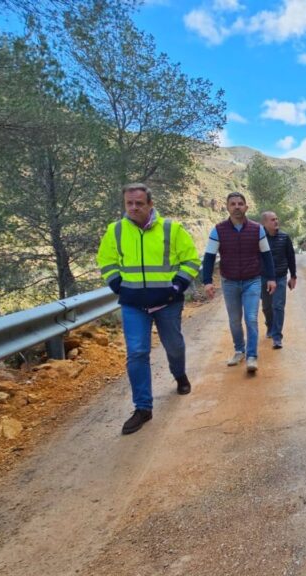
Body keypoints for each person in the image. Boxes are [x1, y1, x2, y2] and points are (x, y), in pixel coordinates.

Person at [97, 183, 201, 435]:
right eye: (129, 203)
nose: (133, 208)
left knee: (174, 346)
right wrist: (118, 285)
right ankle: (143, 408)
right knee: (137, 353)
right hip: (133, 304)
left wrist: (176, 286)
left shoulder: (171, 229)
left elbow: (191, 260)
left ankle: (180, 375)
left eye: (139, 203)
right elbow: (106, 261)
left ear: (150, 204)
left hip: (167, 302)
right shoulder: (115, 230)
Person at [201, 192, 276, 374]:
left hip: (252, 281)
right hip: (229, 282)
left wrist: (272, 278)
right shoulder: (218, 230)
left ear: (246, 207)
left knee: (251, 318)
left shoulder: (257, 229)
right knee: (235, 320)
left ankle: (252, 356)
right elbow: (209, 257)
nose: (237, 207)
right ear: (227, 207)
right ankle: (239, 350)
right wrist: (207, 281)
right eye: (233, 204)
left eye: (240, 203)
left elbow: (267, 255)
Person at [260, 211, 297, 349]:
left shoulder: (284, 237)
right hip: (263, 277)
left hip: (280, 277)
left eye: (276, 219)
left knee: (278, 306)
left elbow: (291, 257)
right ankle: (270, 326)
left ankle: (277, 337)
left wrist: (293, 276)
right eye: (272, 220)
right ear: (264, 223)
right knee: (266, 307)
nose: (276, 221)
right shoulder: (259, 238)